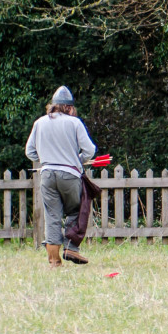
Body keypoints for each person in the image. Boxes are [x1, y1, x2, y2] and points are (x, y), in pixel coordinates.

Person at [25, 85, 97, 267]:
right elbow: (90, 150)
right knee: (76, 209)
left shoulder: (39, 122)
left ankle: (54, 261)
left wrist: (45, 159)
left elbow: (29, 152)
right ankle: (71, 248)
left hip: (47, 174)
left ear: (53, 106)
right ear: (70, 107)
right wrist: (78, 159)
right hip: (70, 174)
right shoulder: (75, 123)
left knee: (52, 216)